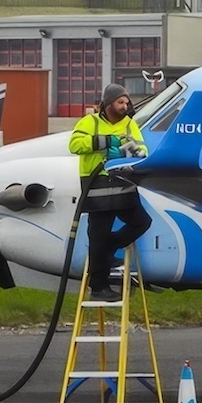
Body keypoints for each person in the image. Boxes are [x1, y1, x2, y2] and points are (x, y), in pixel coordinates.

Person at [68, 84, 150, 302]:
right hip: (98, 186)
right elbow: (74, 145)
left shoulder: (129, 124)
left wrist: (127, 151)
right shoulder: (89, 122)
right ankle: (98, 287)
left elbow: (142, 150)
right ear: (108, 103)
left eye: (126, 102)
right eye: (120, 102)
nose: (125, 106)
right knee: (98, 235)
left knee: (142, 222)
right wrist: (105, 143)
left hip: (123, 184)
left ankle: (109, 249)